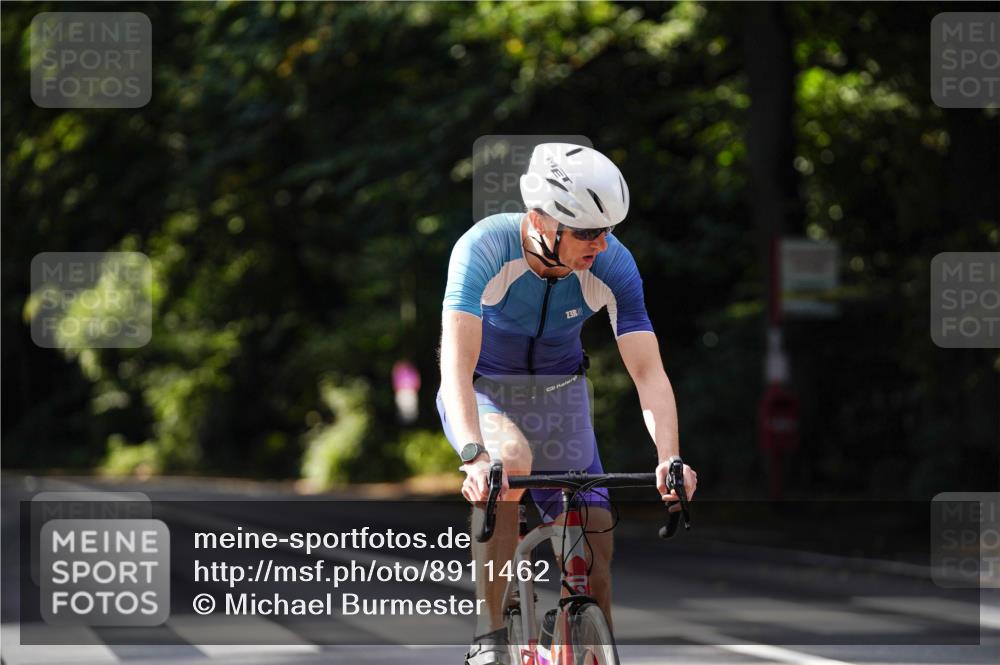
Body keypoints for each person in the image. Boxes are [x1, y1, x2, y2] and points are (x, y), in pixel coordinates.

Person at [436, 143, 698, 665]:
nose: (601, 245)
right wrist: (473, 454)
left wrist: (669, 457)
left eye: (607, 230)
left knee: (596, 546)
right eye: (586, 232)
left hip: (561, 396)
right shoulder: (484, 248)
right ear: (538, 220)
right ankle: (489, 636)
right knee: (508, 465)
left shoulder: (613, 263)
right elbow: (456, 368)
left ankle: (583, 638)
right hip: (484, 389)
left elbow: (647, 372)